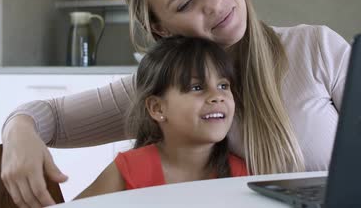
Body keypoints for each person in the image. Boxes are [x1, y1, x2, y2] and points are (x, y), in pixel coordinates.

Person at [1, 0, 351, 208]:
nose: (214, 4)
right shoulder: (164, 89)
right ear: (162, 29)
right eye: (185, 3)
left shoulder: (316, 47)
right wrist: (18, 132)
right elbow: (51, 118)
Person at [75, 36, 248, 200]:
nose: (217, 96)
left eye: (223, 85)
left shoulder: (240, 174)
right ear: (157, 108)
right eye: (196, 87)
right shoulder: (129, 168)